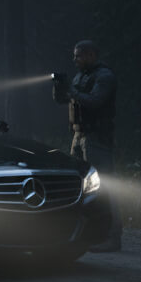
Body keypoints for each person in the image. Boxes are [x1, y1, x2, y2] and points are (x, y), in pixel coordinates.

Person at [53, 39, 121, 252]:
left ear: (91, 55)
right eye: (75, 56)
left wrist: (72, 91)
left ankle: (112, 237)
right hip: (79, 136)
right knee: (80, 186)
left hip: (97, 138)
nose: (75, 60)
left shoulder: (104, 76)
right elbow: (64, 101)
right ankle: (85, 234)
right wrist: (59, 88)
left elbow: (95, 101)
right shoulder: (81, 75)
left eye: (78, 56)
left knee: (105, 187)